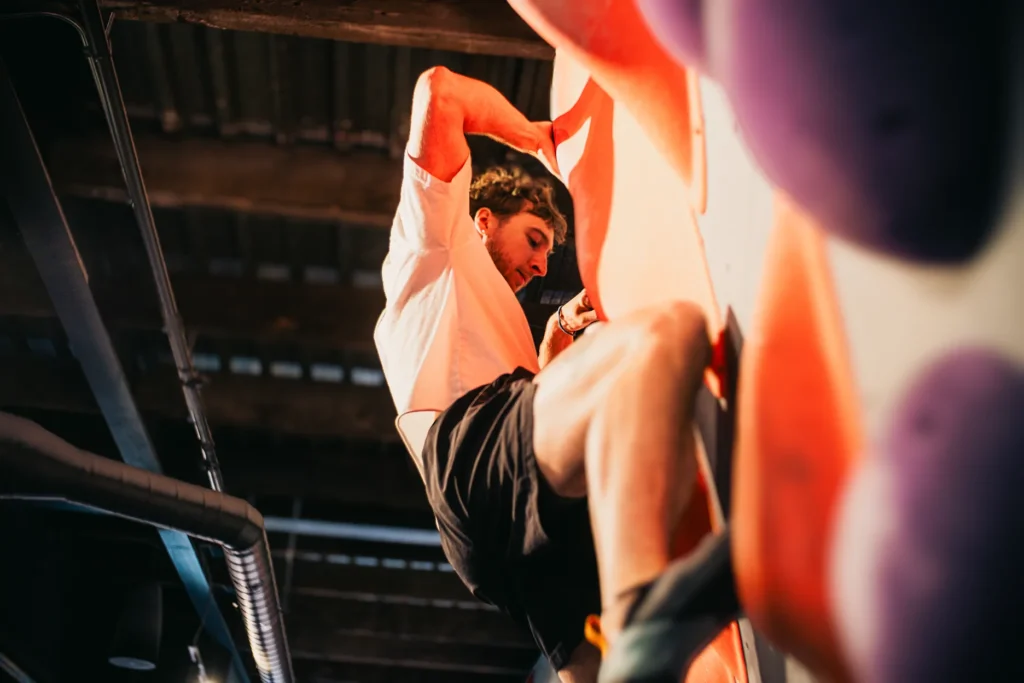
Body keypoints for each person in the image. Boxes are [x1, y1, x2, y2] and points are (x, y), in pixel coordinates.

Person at [374, 66, 712, 682]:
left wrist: (556, 332)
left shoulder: (485, 324)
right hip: (472, 453)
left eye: (548, 252)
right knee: (667, 335)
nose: (539, 261)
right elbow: (438, 93)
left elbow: (541, 413)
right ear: (480, 220)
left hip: (488, 523)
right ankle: (641, 613)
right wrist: (544, 142)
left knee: (593, 666)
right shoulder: (432, 241)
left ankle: (634, 629)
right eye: (533, 238)